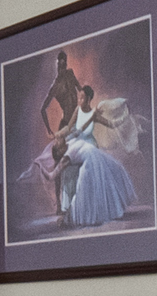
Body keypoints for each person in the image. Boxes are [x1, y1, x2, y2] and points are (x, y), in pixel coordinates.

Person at [58, 92, 135, 229]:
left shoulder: (94, 114)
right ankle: (71, 210)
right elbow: (69, 127)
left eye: (81, 98)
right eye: (78, 97)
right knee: (68, 171)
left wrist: (124, 118)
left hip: (89, 147)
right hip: (76, 145)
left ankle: (94, 211)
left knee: (96, 173)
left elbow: (111, 124)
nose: (79, 100)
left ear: (88, 99)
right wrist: (59, 134)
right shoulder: (77, 110)